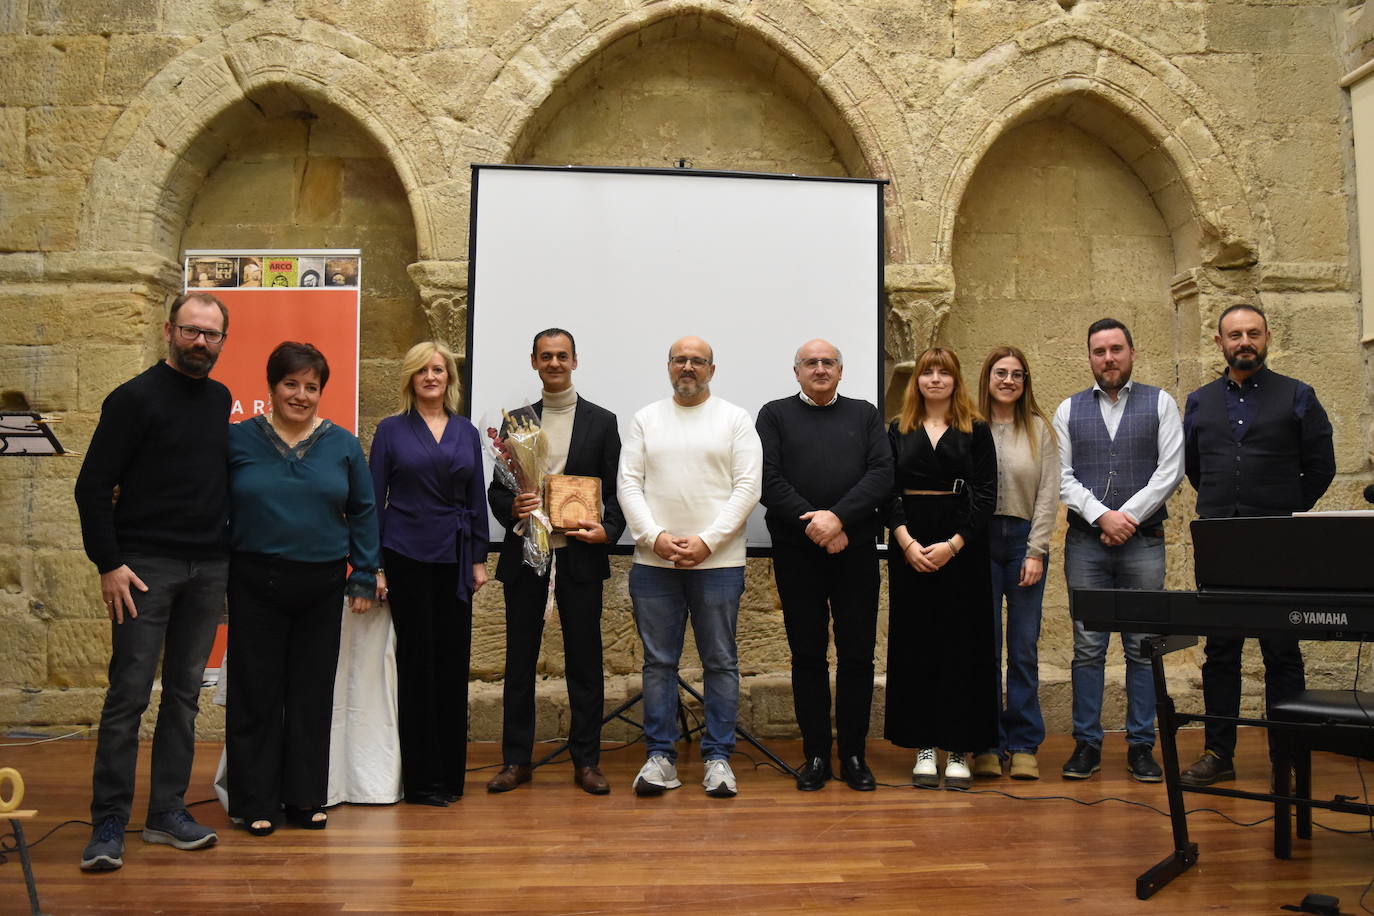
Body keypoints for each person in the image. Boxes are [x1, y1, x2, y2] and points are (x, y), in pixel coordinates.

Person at [74, 292, 232, 871]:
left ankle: (166, 812)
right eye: (191, 331)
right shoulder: (132, 399)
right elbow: (91, 489)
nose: (200, 343)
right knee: (129, 698)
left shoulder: (219, 399)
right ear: (170, 331)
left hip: (208, 569)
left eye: (211, 335)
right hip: (144, 571)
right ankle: (109, 821)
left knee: (186, 698)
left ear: (222, 342)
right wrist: (109, 564)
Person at [1179, 304, 1335, 787]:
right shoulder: (1200, 401)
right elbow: (1194, 468)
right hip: (1222, 541)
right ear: (1219, 342)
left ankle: (1286, 756)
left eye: (1252, 333)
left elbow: (1322, 465)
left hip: (1277, 544)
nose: (1243, 341)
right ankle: (1218, 752)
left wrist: (1286, 510)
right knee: (1220, 652)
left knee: (1281, 652)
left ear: (1267, 338)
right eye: (1234, 335)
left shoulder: (1298, 395)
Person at [225, 342, 378, 835]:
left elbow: (364, 511)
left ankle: (305, 797)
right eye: (291, 384)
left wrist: (363, 572)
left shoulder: (344, 445)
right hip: (254, 581)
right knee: (256, 694)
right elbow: (203, 495)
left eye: (311, 387)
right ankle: (256, 803)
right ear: (272, 387)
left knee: (311, 696)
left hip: (321, 582)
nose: (301, 395)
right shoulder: (237, 440)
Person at [618, 336, 762, 798]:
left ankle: (718, 758)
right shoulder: (646, 419)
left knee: (720, 662)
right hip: (653, 563)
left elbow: (747, 488)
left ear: (711, 370)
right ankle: (660, 756)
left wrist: (706, 542)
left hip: (718, 564)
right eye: (680, 360)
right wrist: (656, 538)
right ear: (668, 367)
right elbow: (628, 484)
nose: (688, 367)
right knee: (659, 663)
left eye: (697, 361)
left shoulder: (735, 420)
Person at [485, 329, 624, 796]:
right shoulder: (517, 421)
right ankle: (516, 761)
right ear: (534, 362)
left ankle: (586, 762)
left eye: (562, 356)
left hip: (580, 559)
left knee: (585, 663)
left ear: (575, 361)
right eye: (546, 357)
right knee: (519, 664)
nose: (554, 363)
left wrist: (611, 531)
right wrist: (513, 508)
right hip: (527, 560)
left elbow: (618, 490)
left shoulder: (603, 422)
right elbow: (498, 489)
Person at [757, 339, 891, 791]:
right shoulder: (773, 415)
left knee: (857, 655)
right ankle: (815, 754)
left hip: (854, 550)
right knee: (808, 655)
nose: (819, 369)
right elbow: (767, 479)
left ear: (840, 370)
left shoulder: (865, 414)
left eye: (827, 362)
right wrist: (816, 525)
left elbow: (881, 474)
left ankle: (853, 753)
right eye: (810, 363)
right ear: (796, 372)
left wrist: (838, 519)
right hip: (798, 553)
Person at [1053, 318, 1183, 782]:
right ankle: (1087, 744)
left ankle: (1141, 746)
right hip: (1086, 543)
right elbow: (1062, 476)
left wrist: (1125, 518)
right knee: (1087, 647)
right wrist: (1100, 517)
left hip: (1143, 542)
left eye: (1115, 349)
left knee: (1141, 647)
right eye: (1099, 351)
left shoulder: (1161, 403)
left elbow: (1170, 470)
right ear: (1089, 357)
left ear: (1132, 352)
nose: (1108, 358)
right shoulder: (1068, 410)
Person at [370, 341, 489, 806]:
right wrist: (375, 566)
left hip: (455, 558)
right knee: (416, 666)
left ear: (449, 379)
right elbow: (373, 499)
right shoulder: (391, 430)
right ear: (411, 379)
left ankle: (451, 779)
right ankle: (422, 782)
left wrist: (478, 557)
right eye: (422, 370)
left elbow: (476, 497)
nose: (431, 376)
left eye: (438, 369)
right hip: (405, 554)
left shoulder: (465, 431)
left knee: (451, 664)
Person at [884, 347, 998, 789]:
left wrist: (954, 544)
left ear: (955, 380)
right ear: (918, 382)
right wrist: (906, 541)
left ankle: (958, 749)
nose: (934, 379)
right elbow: (887, 490)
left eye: (943, 373)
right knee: (918, 645)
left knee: (962, 645)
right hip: (909, 545)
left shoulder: (977, 429)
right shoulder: (898, 428)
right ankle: (924, 745)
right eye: (927, 373)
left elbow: (988, 493)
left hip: (961, 546)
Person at [972, 346, 1059, 782]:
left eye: (1017, 375)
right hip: (979, 542)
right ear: (987, 378)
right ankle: (987, 743)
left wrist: (1036, 550)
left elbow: (1048, 494)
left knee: (1022, 648)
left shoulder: (1039, 430)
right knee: (984, 647)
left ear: (1025, 383)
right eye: (1000, 373)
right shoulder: (969, 425)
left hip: (1023, 540)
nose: (1008, 381)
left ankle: (1023, 744)